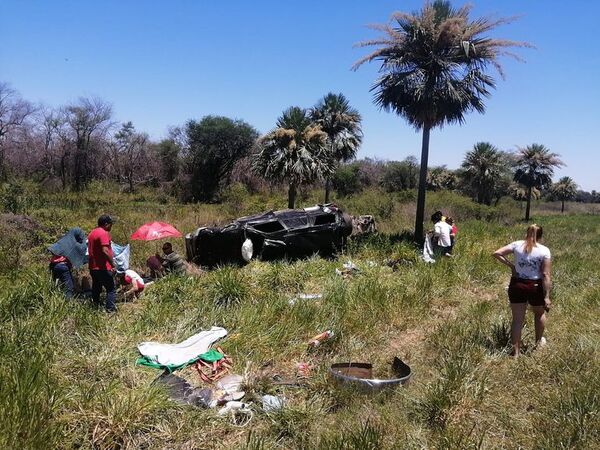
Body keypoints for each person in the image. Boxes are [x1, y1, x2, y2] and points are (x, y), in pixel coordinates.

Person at [493, 224, 552, 357]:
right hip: (535, 286)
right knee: (539, 314)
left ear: (527, 233)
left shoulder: (516, 245)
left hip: (517, 284)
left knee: (517, 320)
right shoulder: (544, 250)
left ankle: (516, 352)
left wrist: (512, 266)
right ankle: (538, 342)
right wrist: (547, 296)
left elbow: (497, 253)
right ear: (541, 235)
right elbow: (546, 275)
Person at [48, 227, 88, 299]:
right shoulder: (75, 244)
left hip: (53, 265)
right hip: (62, 266)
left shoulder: (63, 240)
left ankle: (55, 300)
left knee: (56, 285)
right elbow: (82, 252)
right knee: (69, 287)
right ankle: (67, 304)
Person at [88, 215, 117, 312]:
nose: (111, 227)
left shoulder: (92, 233)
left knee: (96, 288)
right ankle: (110, 310)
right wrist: (112, 264)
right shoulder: (103, 233)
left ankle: (94, 307)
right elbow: (105, 251)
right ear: (106, 224)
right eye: (110, 224)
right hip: (102, 267)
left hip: (93, 267)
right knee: (111, 289)